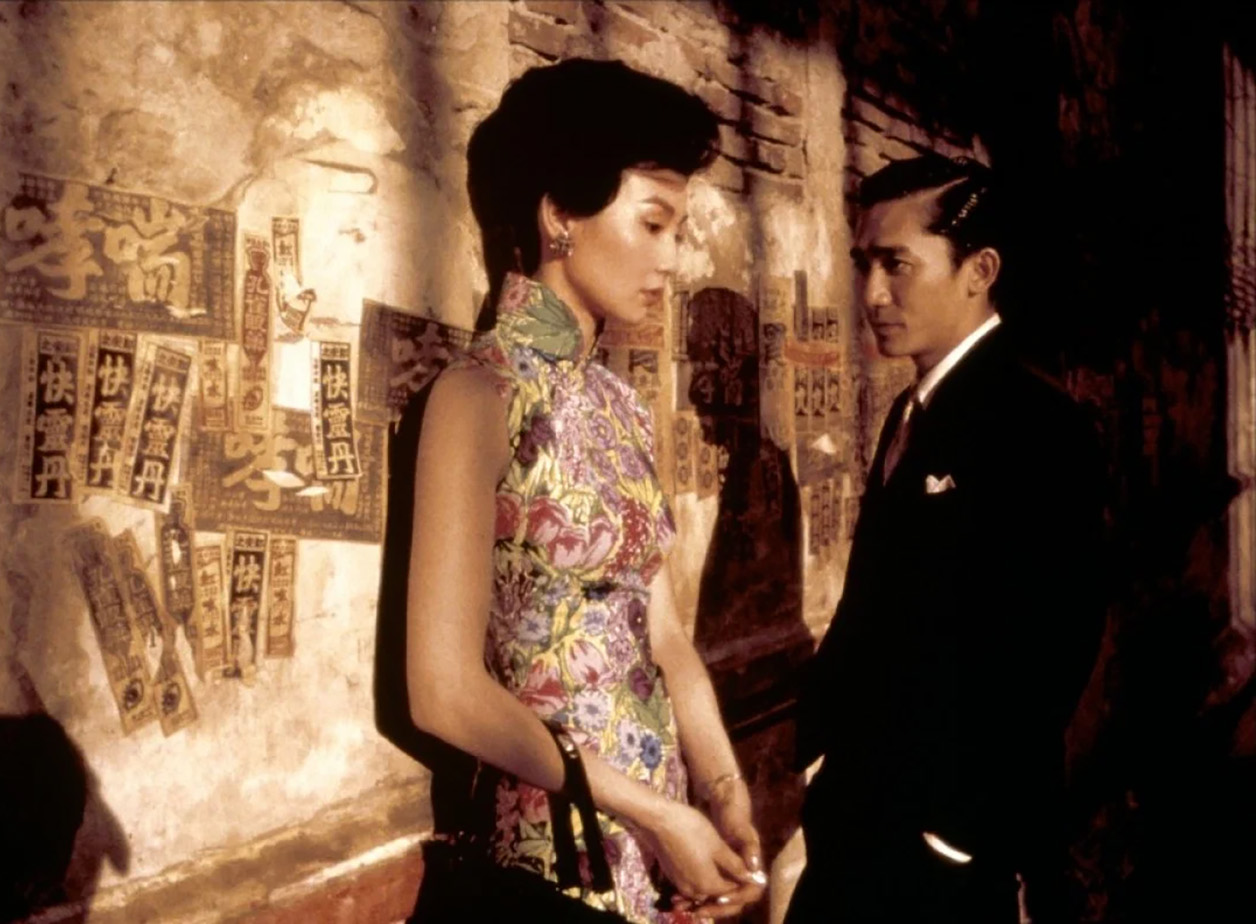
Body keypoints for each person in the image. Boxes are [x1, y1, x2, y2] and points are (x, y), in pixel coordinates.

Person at [399, 59, 767, 922]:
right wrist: (660, 815)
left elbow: (664, 635)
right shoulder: (477, 395)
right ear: (559, 215)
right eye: (653, 223)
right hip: (547, 872)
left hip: (659, 857)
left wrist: (720, 794)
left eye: (678, 231)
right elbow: (442, 691)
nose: (672, 259)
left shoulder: (621, 406)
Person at [785, 155, 1106, 923]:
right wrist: (816, 754)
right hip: (858, 819)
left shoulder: (1038, 425)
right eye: (864, 264)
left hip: (948, 856)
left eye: (897, 264)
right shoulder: (909, 414)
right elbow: (874, 607)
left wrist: (954, 833)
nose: (872, 294)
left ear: (979, 271)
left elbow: (1053, 650)